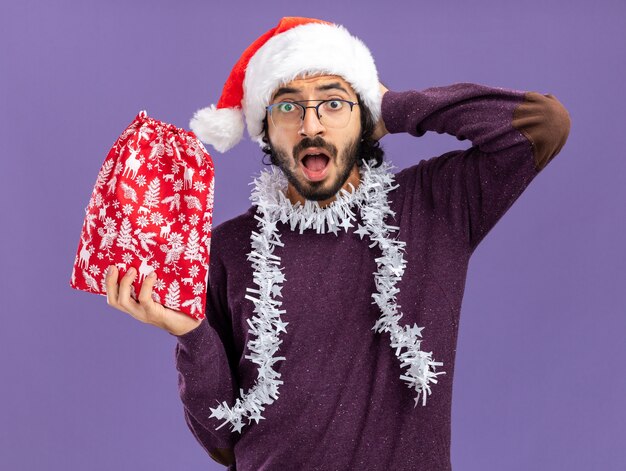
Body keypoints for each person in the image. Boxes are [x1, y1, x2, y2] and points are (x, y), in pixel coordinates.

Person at [104, 16, 571, 471]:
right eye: (288, 107)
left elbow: (543, 123)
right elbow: (224, 443)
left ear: (363, 118)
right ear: (265, 128)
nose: (311, 127)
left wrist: (393, 107)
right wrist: (190, 335)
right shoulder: (225, 250)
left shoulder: (434, 206)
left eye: (333, 104)